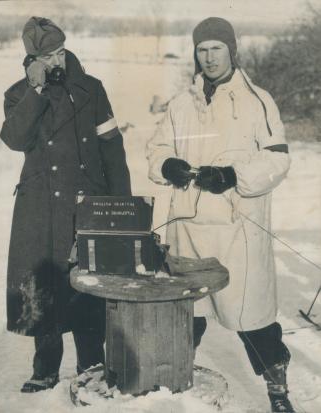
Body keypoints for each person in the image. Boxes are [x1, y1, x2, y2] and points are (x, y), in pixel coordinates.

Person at [146, 17, 295, 413]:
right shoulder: (181, 103)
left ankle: (277, 390)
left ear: (232, 51)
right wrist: (167, 165)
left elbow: (278, 160)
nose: (209, 58)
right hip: (188, 230)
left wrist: (234, 175)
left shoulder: (257, 99)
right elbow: (156, 148)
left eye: (217, 49)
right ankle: (168, 387)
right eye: (202, 49)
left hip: (237, 232)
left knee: (252, 320)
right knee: (183, 315)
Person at [0, 17, 131, 393]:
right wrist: (36, 90)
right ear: (32, 58)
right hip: (40, 206)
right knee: (45, 283)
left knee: (86, 284)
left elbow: (113, 149)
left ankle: (92, 363)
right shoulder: (18, 94)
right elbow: (13, 138)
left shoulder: (91, 89)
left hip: (86, 202)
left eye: (59, 52)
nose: (56, 61)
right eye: (45, 55)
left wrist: (121, 208)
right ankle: (45, 367)